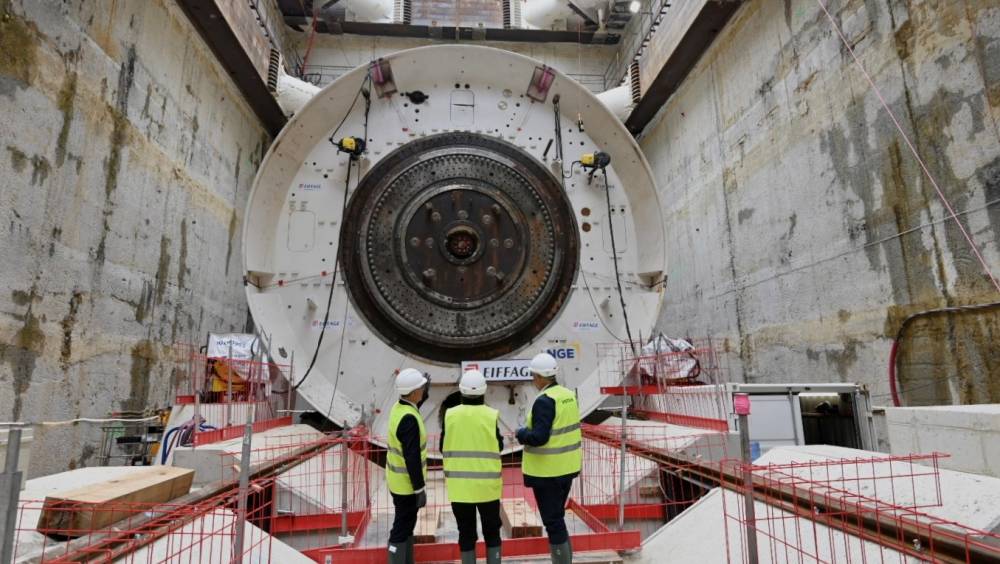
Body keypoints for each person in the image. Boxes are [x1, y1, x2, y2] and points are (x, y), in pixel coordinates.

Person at [515, 353, 582, 564]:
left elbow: (539, 437)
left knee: (553, 522)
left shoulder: (544, 401)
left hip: (547, 473)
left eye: (533, 376)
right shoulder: (568, 395)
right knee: (557, 519)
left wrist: (521, 434)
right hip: (566, 468)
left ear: (540, 377)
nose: (533, 380)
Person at [442, 370, 504, 564]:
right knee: (492, 532)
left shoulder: (450, 415)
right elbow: (499, 445)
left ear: (461, 391)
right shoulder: (490, 415)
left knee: (466, 533)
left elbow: (443, 446)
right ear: (484, 391)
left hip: (460, 488)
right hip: (487, 488)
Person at [386, 368, 429, 564]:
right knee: (401, 528)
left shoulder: (399, 408)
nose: (423, 390)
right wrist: (419, 489)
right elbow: (412, 458)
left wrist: (425, 389)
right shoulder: (409, 420)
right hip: (406, 486)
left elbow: (415, 403)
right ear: (413, 392)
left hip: (397, 482)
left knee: (407, 524)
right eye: (421, 388)